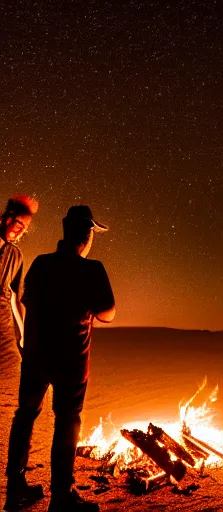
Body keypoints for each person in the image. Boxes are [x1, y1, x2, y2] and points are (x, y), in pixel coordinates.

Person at [4, 205, 116, 512]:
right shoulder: (92, 270)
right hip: (71, 359)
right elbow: (108, 313)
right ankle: (61, 496)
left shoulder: (41, 264)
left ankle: (15, 491)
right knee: (67, 419)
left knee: (25, 415)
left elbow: (27, 301)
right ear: (86, 234)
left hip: (37, 355)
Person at [0, 195, 39, 368]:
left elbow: (15, 297)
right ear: (7, 219)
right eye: (20, 225)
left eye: (25, 229)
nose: (21, 232)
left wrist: (23, 333)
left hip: (3, 328)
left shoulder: (15, 255)